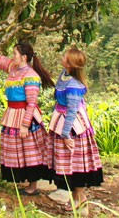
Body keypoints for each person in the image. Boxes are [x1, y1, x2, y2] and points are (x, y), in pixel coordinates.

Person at [0, 31, 54, 196]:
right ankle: (25, 181)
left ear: (24, 57)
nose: (12, 56)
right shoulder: (13, 68)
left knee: (30, 151)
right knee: (17, 149)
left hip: (24, 116)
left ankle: (33, 185)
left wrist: (24, 125)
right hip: (12, 113)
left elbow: (32, 103)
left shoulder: (31, 76)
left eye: (15, 53)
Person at [46, 47, 103, 212]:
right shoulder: (64, 75)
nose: (62, 58)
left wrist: (65, 134)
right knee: (67, 163)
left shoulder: (74, 86)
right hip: (61, 121)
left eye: (65, 57)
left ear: (70, 64)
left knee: (76, 163)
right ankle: (77, 197)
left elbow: (72, 111)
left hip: (72, 128)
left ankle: (79, 196)